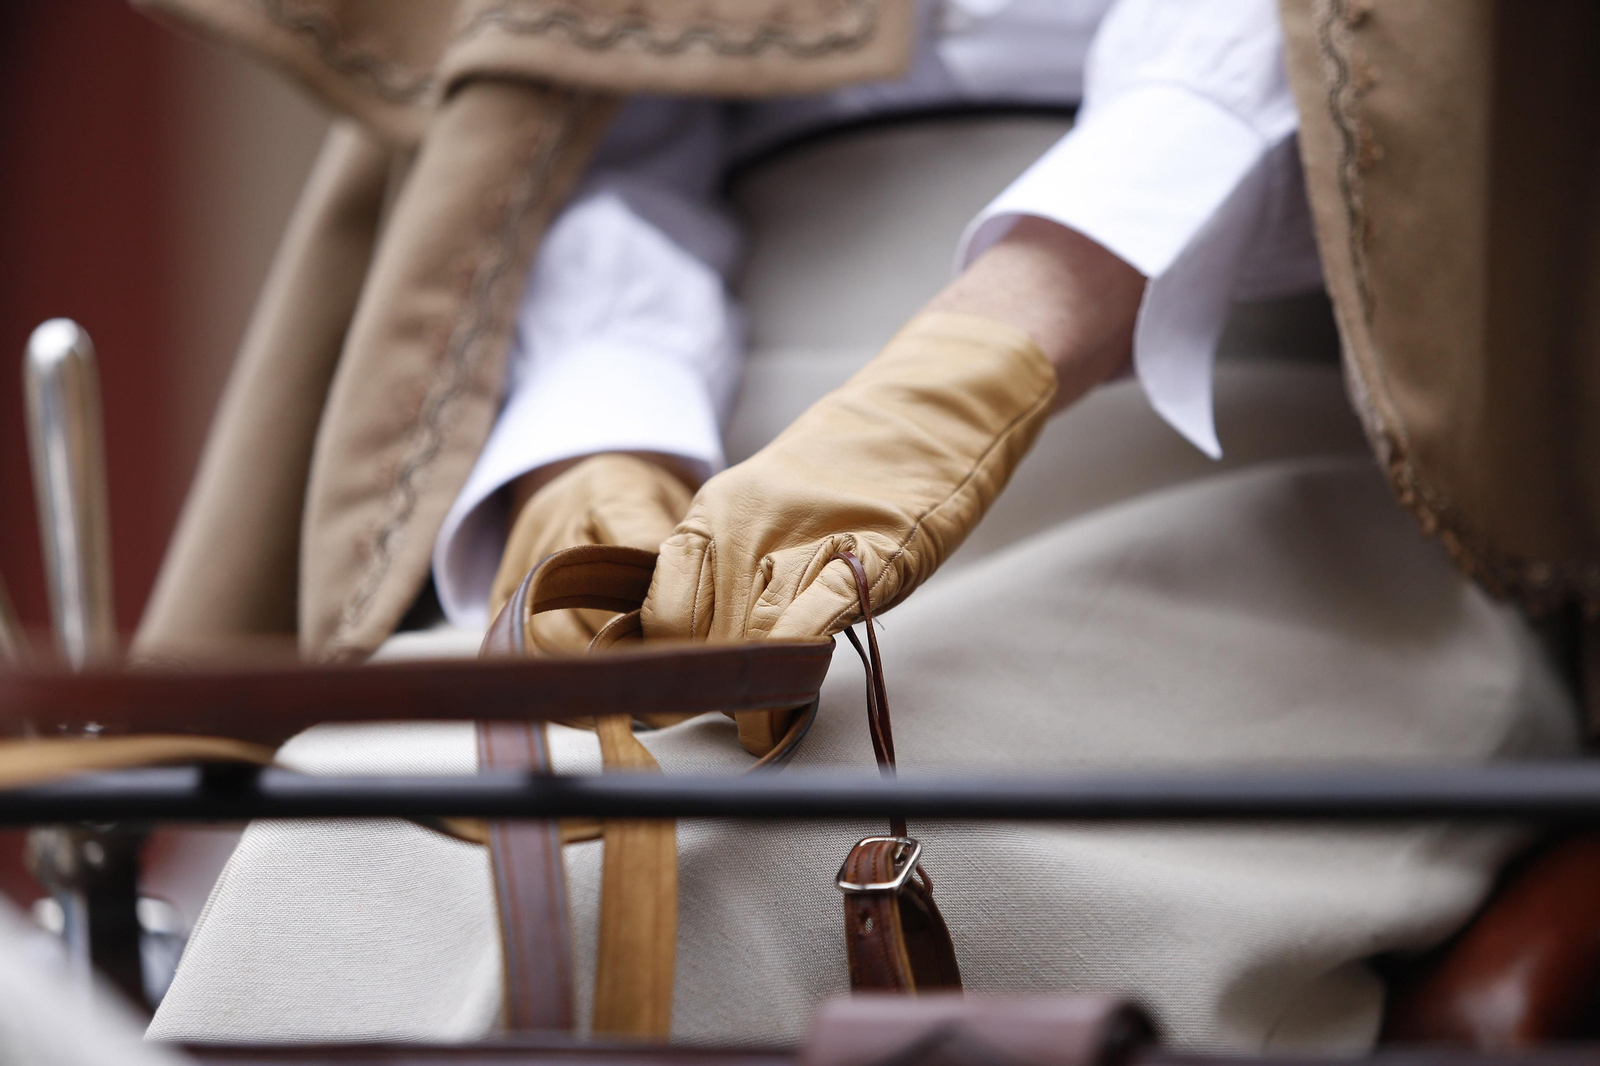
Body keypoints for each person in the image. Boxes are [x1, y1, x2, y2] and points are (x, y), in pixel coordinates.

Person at [144, 0, 1579, 1053]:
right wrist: (599, 439)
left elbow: (1372, 52)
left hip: (1249, 398)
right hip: (723, 397)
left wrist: (989, 352)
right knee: (355, 828)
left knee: (714, 871)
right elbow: (574, 80)